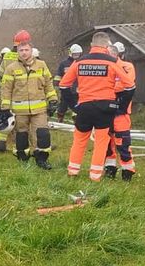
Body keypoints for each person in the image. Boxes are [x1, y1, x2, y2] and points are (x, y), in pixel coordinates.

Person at [60, 32, 135, 181]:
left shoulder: (79, 61)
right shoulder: (112, 62)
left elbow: (63, 85)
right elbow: (130, 86)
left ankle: (72, 171)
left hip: (84, 106)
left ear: (91, 45)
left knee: (79, 140)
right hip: (104, 108)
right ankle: (95, 175)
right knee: (101, 142)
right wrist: (121, 107)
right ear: (107, 46)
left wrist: (74, 105)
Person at [0, 39, 58, 169]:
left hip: (39, 109)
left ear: (31, 51)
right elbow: (6, 89)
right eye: (21, 50)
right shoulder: (11, 68)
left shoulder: (41, 65)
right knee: (21, 135)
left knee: (42, 134)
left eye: (26, 50)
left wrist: (53, 99)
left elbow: (48, 84)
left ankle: (41, 159)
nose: (24, 53)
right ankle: (23, 158)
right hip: (20, 111)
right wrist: (5, 108)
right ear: (18, 52)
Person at [103, 41, 137, 181]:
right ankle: (110, 169)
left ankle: (127, 171)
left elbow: (127, 84)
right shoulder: (104, 67)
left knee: (123, 142)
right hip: (105, 110)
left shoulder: (127, 66)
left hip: (121, 111)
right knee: (107, 142)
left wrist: (109, 87)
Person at [0, 35, 27, 152]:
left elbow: (0, 73)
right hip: (20, 92)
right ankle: (19, 146)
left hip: (5, 91)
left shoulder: (6, 56)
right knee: (21, 120)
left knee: (3, 117)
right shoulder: (26, 56)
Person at [53, 44, 82, 123]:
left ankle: (76, 119)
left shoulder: (82, 63)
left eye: (78, 54)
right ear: (71, 53)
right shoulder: (64, 64)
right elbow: (58, 75)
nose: (76, 56)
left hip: (77, 89)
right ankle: (60, 118)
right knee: (63, 105)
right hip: (66, 89)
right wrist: (57, 85)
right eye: (75, 54)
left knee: (77, 105)